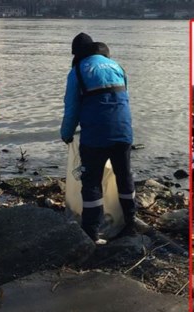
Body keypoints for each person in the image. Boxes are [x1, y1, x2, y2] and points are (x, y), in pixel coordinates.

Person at [61, 32, 138, 244]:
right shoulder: (117, 67)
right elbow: (124, 99)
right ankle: (130, 224)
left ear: (77, 54)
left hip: (95, 136)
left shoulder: (78, 71)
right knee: (124, 176)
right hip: (124, 132)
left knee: (91, 182)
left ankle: (91, 232)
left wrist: (66, 134)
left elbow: (72, 108)